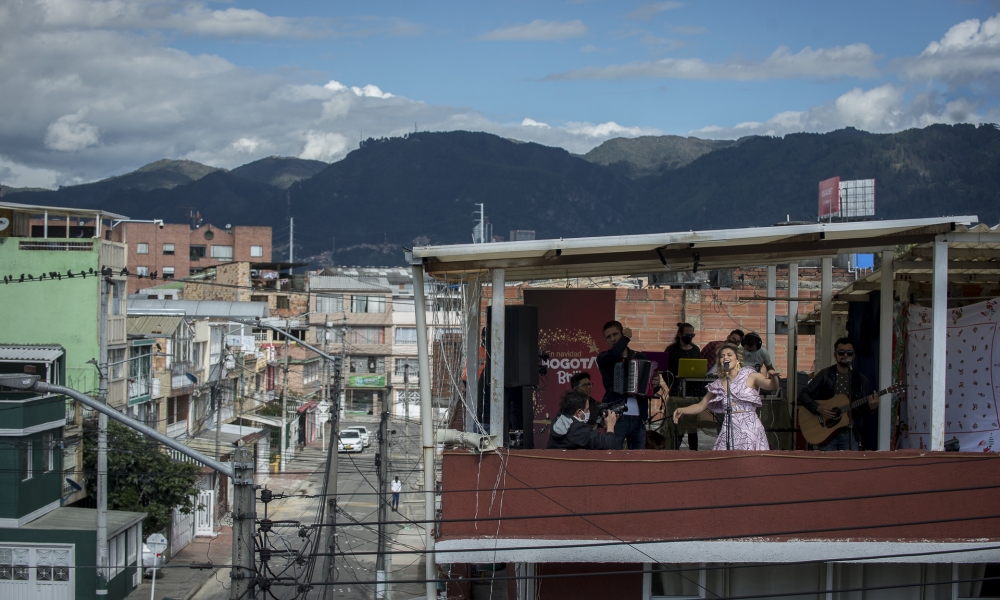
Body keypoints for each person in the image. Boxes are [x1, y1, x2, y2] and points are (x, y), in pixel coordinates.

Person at [672, 343, 780, 450]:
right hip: (729, 427)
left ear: (737, 359)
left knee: (748, 461)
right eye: (722, 356)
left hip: (750, 428)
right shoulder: (718, 384)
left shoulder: (751, 376)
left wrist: (773, 377)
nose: (725, 358)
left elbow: (772, 386)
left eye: (729, 355)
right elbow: (701, 406)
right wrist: (682, 409)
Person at [799, 337, 878, 451]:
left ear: (854, 356)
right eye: (841, 352)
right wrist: (818, 408)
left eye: (849, 353)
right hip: (825, 432)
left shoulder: (861, 380)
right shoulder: (825, 375)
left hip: (849, 434)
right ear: (835, 355)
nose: (845, 355)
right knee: (827, 466)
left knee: (849, 466)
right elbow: (803, 394)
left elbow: (861, 410)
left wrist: (871, 408)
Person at [597, 320, 648, 449]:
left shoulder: (640, 357)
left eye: (616, 334)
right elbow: (615, 353)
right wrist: (625, 338)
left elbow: (649, 389)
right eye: (609, 337)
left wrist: (655, 384)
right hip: (617, 417)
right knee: (614, 457)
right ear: (606, 341)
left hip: (639, 417)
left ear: (621, 334)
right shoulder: (603, 358)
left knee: (638, 459)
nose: (613, 339)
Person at [664, 323, 702, 450]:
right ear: (680, 334)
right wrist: (672, 385)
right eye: (687, 334)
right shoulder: (671, 350)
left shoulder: (696, 349)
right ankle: (674, 449)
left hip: (692, 392)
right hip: (677, 392)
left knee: (692, 425)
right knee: (676, 424)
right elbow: (665, 371)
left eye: (692, 334)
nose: (690, 336)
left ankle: (694, 451)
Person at [546, 391, 619, 449]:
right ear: (578, 412)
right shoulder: (578, 429)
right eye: (587, 409)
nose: (589, 412)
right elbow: (608, 443)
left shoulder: (557, 420)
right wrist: (610, 424)